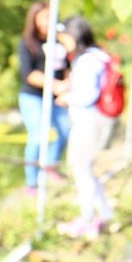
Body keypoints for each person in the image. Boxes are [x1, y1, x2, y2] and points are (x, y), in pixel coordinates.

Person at [55, 16, 115, 239]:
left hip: (88, 122)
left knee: (81, 170)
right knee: (86, 169)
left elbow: (88, 95)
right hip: (96, 120)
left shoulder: (88, 60)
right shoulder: (98, 57)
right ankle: (104, 214)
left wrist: (67, 98)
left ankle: (87, 219)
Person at [18, 1, 71, 194]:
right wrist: (54, 85)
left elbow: (65, 67)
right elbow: (29, 74)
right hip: (33, 96)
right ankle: (31, 183)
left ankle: (51, 167)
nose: (49, 21)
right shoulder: (27, 43)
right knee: (38, 136)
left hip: (56, 97)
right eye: (45, 17)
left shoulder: (58, 41)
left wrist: (65, 86)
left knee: (65, 130)